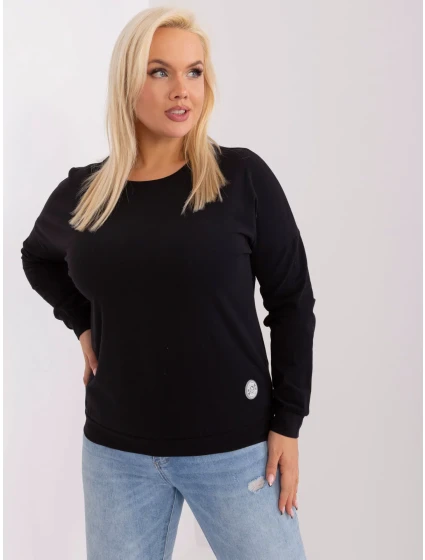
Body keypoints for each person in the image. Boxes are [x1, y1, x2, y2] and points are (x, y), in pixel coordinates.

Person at [20, 6, 316, 559]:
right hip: (116, 456)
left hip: (236, 450)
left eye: (194, 72)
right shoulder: (85, 193)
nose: (182, 89)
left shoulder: (240, 178)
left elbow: (292, 301)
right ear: (127, 82)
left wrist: (288, 422)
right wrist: (83, 324)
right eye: (160, 71)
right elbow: (37, 257)